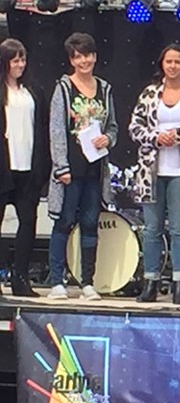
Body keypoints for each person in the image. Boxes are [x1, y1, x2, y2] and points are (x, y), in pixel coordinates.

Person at [129, 44, 180, 305]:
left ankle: (179, 283)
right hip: (151, 171)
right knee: (152, 229)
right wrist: (155, 137)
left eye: (178, 62)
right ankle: (151, 282)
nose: (173, 66)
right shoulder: (150, 93)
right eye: (169, 61)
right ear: (162, 64)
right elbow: (134, 127)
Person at [47, 32, 118, 301]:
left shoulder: (105, 88)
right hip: (71, 168)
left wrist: (108, 139)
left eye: (87, 55)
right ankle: (57, 282)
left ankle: (87, 282)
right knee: (64, 221)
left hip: (95, 167)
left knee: (90, 222)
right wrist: (61, 166)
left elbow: (113, 127)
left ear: (95, 57)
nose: (83, 61)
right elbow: (56, 129)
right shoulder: (64, 88)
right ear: (71, 60)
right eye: (78, 56)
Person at [0, 38, 50, 296]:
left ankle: (20, 278)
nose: (20, 64)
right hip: (3, 168)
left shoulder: (32, 90)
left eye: (23, 59)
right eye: (15, 60)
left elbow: (42, 127)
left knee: (27, 222)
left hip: (28, 167)